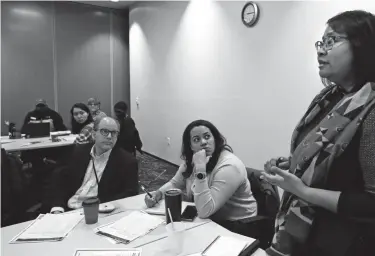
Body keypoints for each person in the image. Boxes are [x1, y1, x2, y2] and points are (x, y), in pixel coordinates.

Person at [262, 10, 375, 256]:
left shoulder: (371, 110)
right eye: (321, 42)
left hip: (344, 243)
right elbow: (327, 161)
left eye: (332, 41)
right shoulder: (328, 98)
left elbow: (371, 203)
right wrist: (293, 164)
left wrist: (303, 191)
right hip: (302, 232)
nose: (321, 50)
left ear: (361, 46)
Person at [144, 119, 257, 223]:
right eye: (196, 139)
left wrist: (200, 169)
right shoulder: (194, 159)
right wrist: (158, 194)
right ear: (191, 146)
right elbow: (175, 183)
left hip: (237, 224)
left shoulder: (229, 166)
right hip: (209, 218)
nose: (203, 142)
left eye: (207, 137)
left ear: (215, 140)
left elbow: (205, 210)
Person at [48, 117, 139, 213]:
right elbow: (60, 181)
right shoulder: (77, 152)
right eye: (104, 131)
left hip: (99, 213)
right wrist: (57, 207)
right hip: (67, 210)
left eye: (114, 133)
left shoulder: (127, 162)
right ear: (94, 134)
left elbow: (129, 194)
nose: (109, 136)